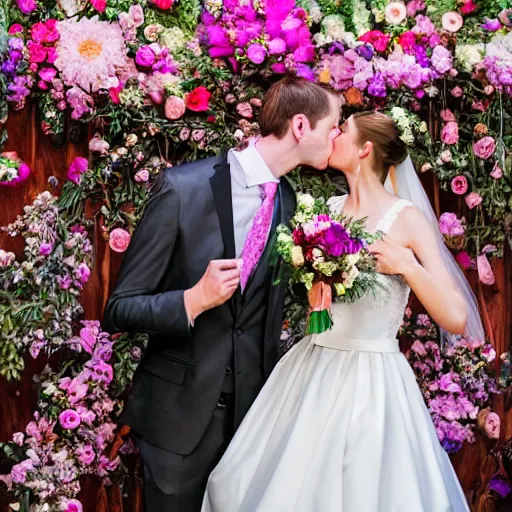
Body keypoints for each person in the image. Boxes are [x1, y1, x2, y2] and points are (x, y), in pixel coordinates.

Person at [201, 111, 483, 512]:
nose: (332, 134)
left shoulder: (407, 219)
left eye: (343, 130)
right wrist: (315, 287)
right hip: (312, 369)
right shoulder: (326, 210)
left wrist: (406, 265)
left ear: (364, 149)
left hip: (372, 383)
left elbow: (455, 316)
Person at [103, 75, 341, 512]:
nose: (337, 136)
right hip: (178, 421)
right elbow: (119, 309)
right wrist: (193, 299)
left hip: (251, 425)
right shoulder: (182, 189)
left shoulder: (289, 203)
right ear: (302, 127)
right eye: (334, 127)